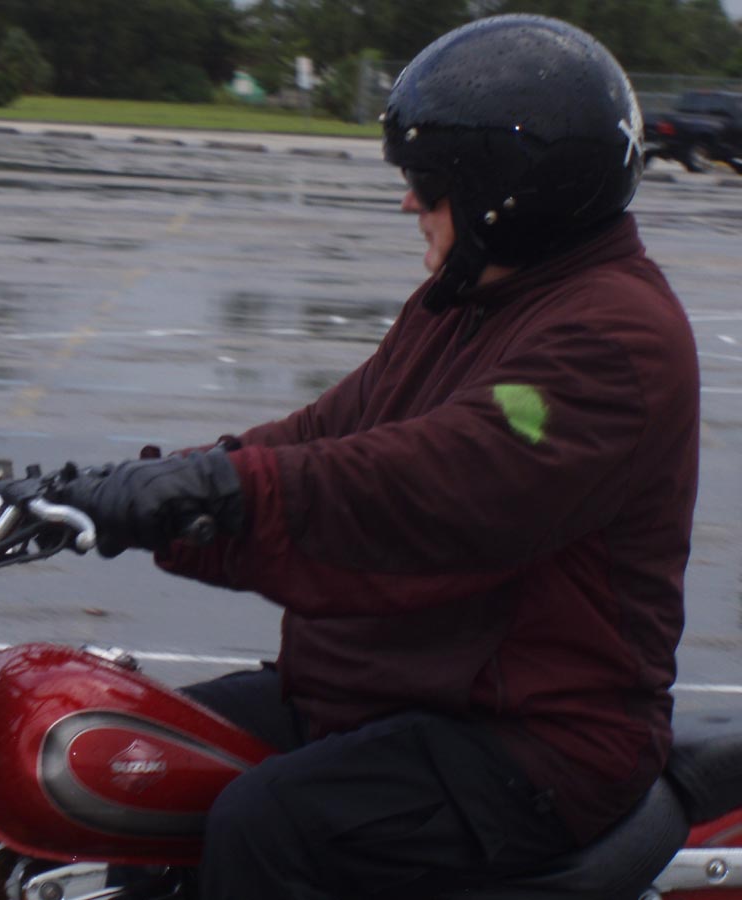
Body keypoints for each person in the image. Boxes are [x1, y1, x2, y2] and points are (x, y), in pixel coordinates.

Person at [53, 14, 700, 900]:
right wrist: (126, 488)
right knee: (134, 753)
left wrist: (223, 491)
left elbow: (433, 487)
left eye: (427, 184)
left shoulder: (615, 337)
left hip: (536, 736)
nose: (408, 204)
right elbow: (328, 433)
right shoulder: (466, 302)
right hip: (401, 692)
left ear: (511, 192)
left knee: (267, 824)